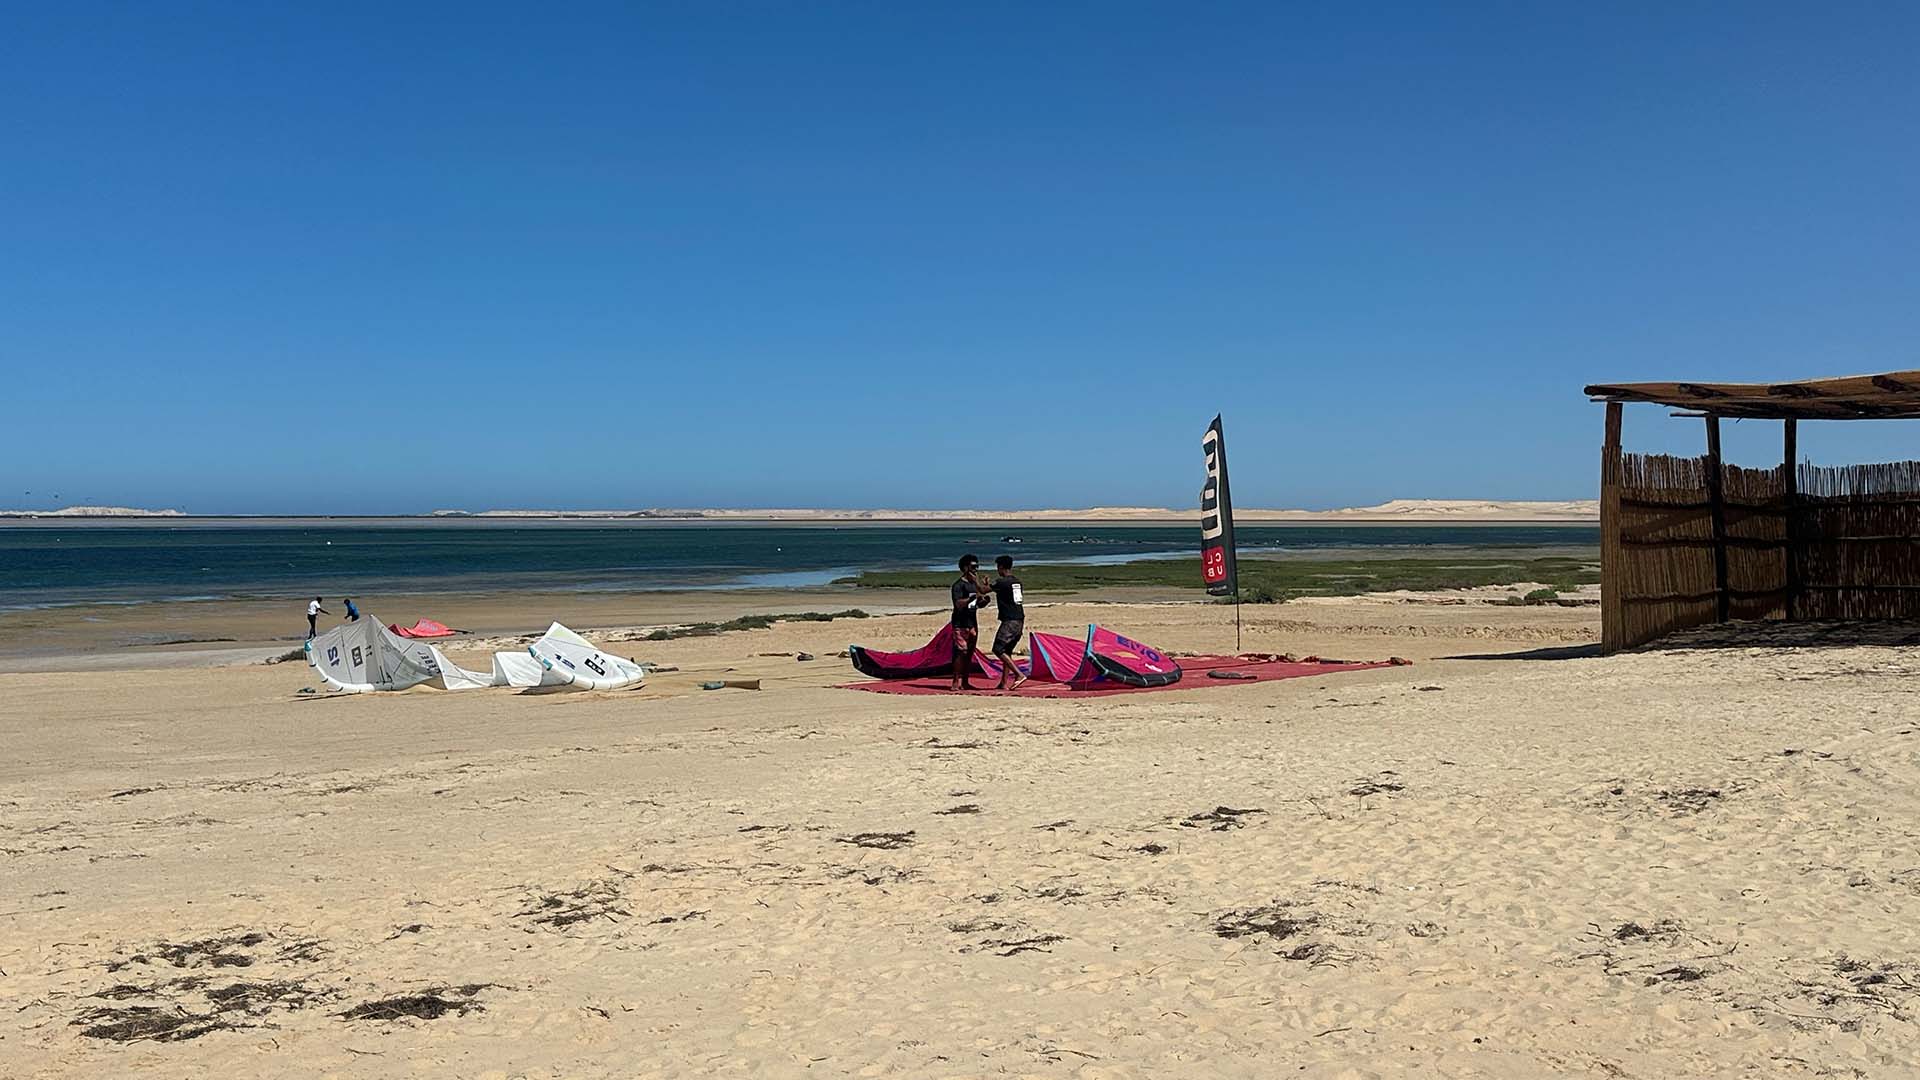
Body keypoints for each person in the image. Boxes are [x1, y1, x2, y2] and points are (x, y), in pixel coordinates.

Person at [948, 554, 992, 691]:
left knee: (969, 653)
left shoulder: (973, 585)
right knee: (961, 652)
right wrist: (972, 598)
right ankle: (955, 681)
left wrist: (984, 600)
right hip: (960, 623)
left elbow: (978, 603)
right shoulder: (958, 585)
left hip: (972, 622)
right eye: (973, 567)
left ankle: (965, 681)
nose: (976, 570)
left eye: (977, 566)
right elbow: (958, 604)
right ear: (965, 568)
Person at [990, 555, 1026, 691]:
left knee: (998, 649)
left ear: (1001, 567)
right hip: (1019, 619)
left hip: (1010, 620)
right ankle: (1003, 682)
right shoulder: (1017, 582)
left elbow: (983, 590)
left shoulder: (1002, 582)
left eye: (997, 567)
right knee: (1007, 651)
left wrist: (976, 581)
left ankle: (1019, 674)